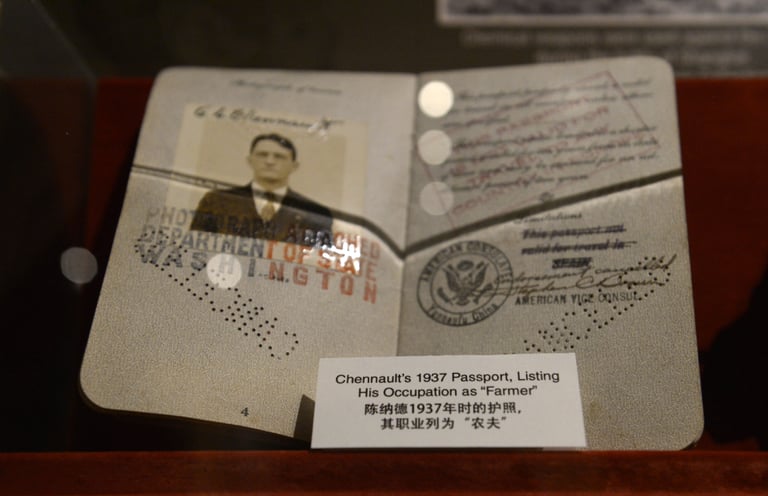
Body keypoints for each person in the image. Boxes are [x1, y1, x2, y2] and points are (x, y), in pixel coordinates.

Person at [190, 133, 333, 247]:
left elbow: (319, 264)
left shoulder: (316, 213)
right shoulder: (217, 201)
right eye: (262, 154)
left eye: (279, 157)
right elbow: (193, 248)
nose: (269, 161)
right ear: (250, 160)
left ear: (294, 166)